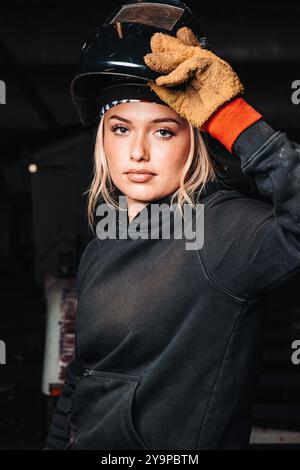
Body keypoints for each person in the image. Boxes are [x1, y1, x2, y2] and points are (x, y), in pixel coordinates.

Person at [44, 23, 300, 450]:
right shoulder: (105, 241)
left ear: (194, 139)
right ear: (102, 139)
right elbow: (80, 383)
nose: (138, 151)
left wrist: (233, 119)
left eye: (163, 131)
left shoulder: (222, 231)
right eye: (120, 129)